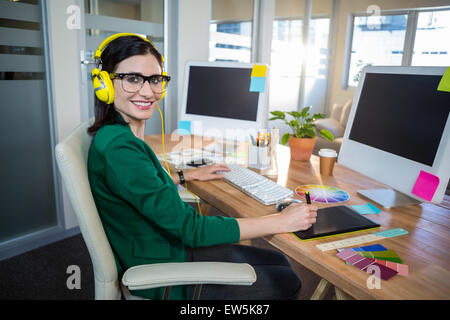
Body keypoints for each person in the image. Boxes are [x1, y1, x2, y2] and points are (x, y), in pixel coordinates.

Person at [87, 33, 318, 300]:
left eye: (155, 80)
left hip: (163, 245)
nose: (148, 91)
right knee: (285, 282)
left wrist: (187, 174)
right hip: (161, 270)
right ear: (104, 83)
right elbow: (192, 229)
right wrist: (280, 220)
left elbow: (142, 187)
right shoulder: (120, 149)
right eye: (133, 79)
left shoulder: (117, 135)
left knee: (280, 262)